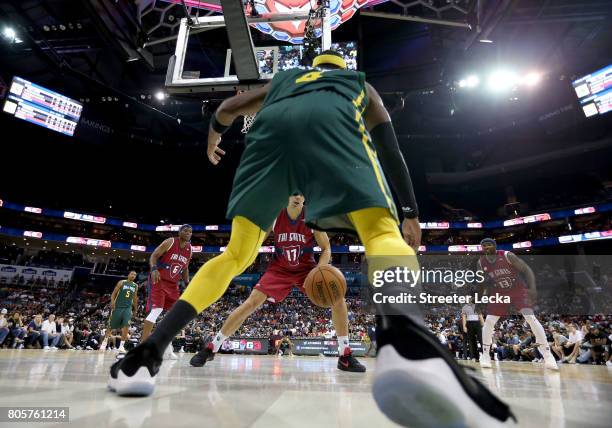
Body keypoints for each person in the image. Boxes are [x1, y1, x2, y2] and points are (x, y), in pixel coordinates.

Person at [109, 50, 514, 428]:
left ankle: (147, 355)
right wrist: (409, 211)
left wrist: (215, 134)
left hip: (270, 140)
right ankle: (407, 347)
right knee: (380, 233)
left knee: (235, 255)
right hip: (333, 131)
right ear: (342, 67)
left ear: (312, 67)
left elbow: (228, 108)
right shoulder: (359, 83)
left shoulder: (286, 79)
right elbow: (390, 150)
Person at [190, 193, 365, 373]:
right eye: (294, 193)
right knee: (251, 302)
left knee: (337, 297)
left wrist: (319, 270)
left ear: (305, 197)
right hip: (279, 269)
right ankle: (212, 347)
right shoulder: (274, 215)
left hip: (306, 269)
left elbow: (326, 248)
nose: (297, 196)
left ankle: (344, 354)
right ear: (287, 194)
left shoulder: (313, 217)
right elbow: (255, 242)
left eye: (301, 193)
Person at [478, 238, 558, 371]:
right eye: (484, 245)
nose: (486, 247)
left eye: (489, 244)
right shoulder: (481, 262)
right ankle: (485, 355)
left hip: (517, 290)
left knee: (530, 318)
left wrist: (532, 288)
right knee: (490, 321)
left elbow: (527, 270)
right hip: (499, 292)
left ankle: (547, 354)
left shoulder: (507, 255)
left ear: (495, 246)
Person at [142, 225, 193, 358]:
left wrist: (188, 283)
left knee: (174, 316)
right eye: (185, 231)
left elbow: (185, 268)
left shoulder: (189, 249)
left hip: (173, 284)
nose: (188, 233)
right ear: (179, 232)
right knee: (157, 310)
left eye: (190, 232)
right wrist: (153, 269)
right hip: (158, 279)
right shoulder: (170, 242)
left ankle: (167, 348)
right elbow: (154, 256)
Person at [100, 271, 139, 353]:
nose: (133, 276)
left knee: (126, 325)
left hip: (128, 308)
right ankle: (104, 342)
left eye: (135, 275)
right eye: (132, 274)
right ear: (128, 275)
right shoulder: (122, 282)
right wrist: (112, 301)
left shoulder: (135, 286)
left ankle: (121, 346)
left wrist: (135, 309)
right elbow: (114, 293)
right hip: (118, 306)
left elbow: (135, 298)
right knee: (111, 325)